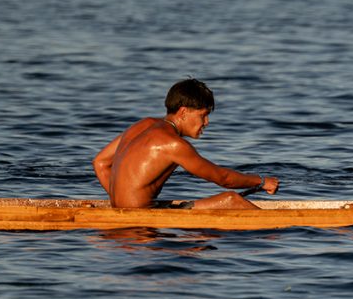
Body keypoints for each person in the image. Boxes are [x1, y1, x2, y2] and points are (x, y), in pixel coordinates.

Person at [93, 78, 278, 209]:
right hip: (140, 230)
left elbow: (100, 163)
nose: (206, 123)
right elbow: (223, 179)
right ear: (183, 112)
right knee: (231, 200)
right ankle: (277, 233)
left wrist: (121, 201)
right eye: (203, 115)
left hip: (127, 217)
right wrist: (261, 181)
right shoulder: (173, 144)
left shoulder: (143, 125)